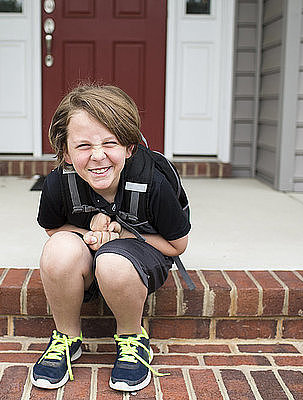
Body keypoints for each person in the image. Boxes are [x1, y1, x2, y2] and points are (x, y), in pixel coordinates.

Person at [33, 84, 191, 392]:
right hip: (91, 254)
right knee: (58, 248)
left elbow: (178, 245)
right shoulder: (58, 183)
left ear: (129, 147)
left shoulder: (153, 182)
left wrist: (119, 230)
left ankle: (133, 338)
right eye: (82, 146)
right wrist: (91, 234)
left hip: (136, 260)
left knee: (113, 260)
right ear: (65, 152)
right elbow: (54, 229)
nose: (97, 156)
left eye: (110, 142)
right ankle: (67, 337)